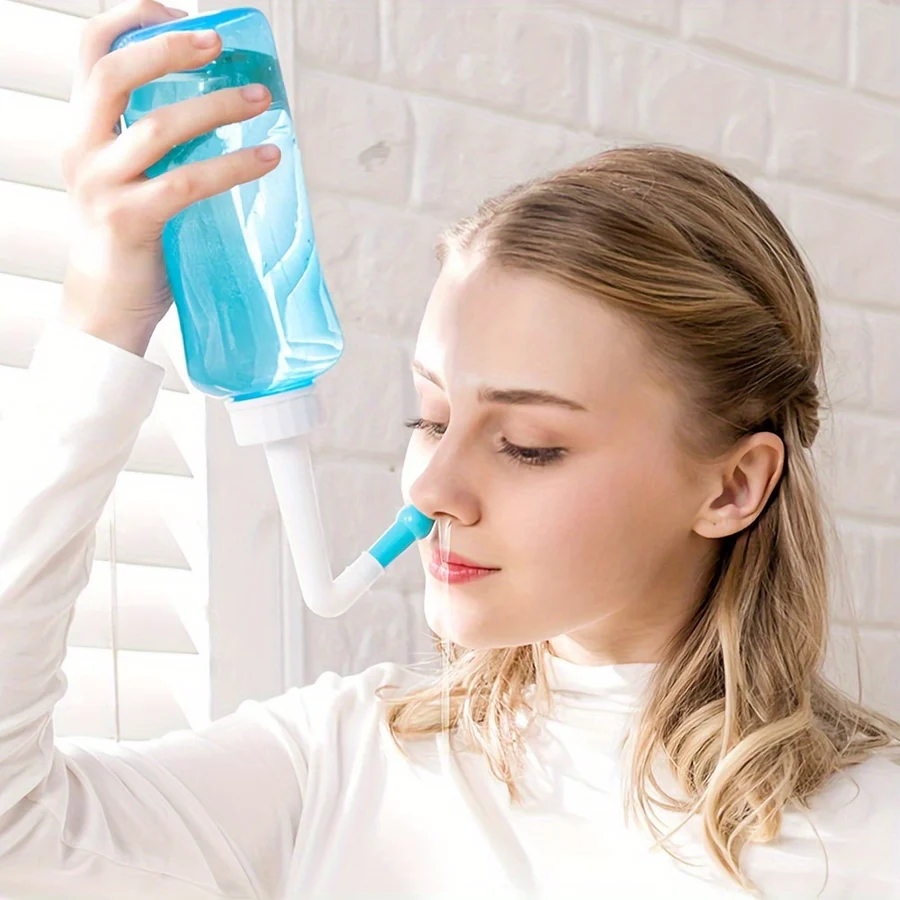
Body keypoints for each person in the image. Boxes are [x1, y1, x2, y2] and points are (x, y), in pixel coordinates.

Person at [0, 1, 898, 897]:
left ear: (734, 487)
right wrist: (104, 309)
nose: (431, 486)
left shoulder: (871, 837)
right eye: (430, 419)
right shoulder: (342, 762)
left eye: (528, 446)